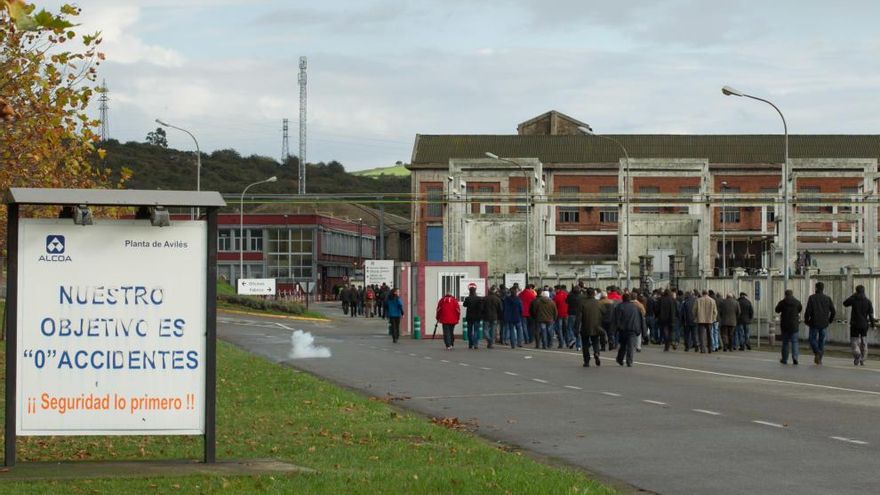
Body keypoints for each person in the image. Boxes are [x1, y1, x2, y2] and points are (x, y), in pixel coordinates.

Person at [804, 282, 835, 365]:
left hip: (814, 322)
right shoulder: (827, 298)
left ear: (816, 288)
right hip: (824, 322)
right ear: (823, 288)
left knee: (812, 339)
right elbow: (833, 311)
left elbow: (808, 311)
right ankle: (819, 358)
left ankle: (817, 352)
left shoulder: (812, 298)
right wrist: (829, 320)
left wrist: (806, 320)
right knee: (822, 340)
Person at [843, 285, 875, 366]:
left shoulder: (854, 300)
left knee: (854, 342)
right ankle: (863, 359)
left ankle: (857, 355)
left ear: (856, 291)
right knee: (864, 341)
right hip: (864, 325)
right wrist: (873, 325)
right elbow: (871, 315)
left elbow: (845, 303)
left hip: (855, 324)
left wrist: (853, 295)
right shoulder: (868, 301)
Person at [613, 293, 645, 367]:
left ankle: (620, 359)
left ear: (622, 299)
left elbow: (616, 319)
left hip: (623, 329)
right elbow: (640, 319)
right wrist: (643, 331)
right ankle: (629, 361)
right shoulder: (635, 307)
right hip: (633, 329)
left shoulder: (619, 306)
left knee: (623, 345)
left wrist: (615, 329)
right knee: (630, 346)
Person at [574, 287, 603, 367]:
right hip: (596, 326)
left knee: (585, 344)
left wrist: (576, 328)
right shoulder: (598, 303)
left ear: (586, 294)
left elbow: (578, 317)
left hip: (585, 326)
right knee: (595, 341)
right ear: (594, 294)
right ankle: (596, 352)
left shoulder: (582, 303)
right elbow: (604, 313)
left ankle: (586, 361)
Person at [775, 289, 803, 365]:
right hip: (794, 325)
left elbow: (777, 310)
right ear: (792, 294)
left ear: (785, 294)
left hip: (785, 325)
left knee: (785, 343)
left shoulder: (782, 302)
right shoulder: (797, 302)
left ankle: (784, 359)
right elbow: (800, 309)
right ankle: (795, 358)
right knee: (795, 342)